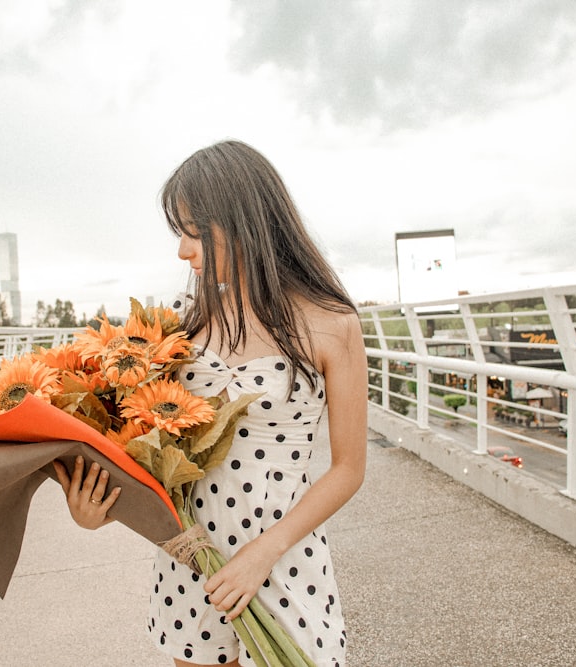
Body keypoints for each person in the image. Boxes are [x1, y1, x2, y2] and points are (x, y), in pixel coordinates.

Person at [54, 140, 367, 666]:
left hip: (284, 556)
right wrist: (99, 512)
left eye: (193, 232)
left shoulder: (332, 324)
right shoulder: (177, 325)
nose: (182, 250)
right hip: (189, 557)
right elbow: (148, 453)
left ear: (244, 222)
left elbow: (348, 469)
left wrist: (259, 556)